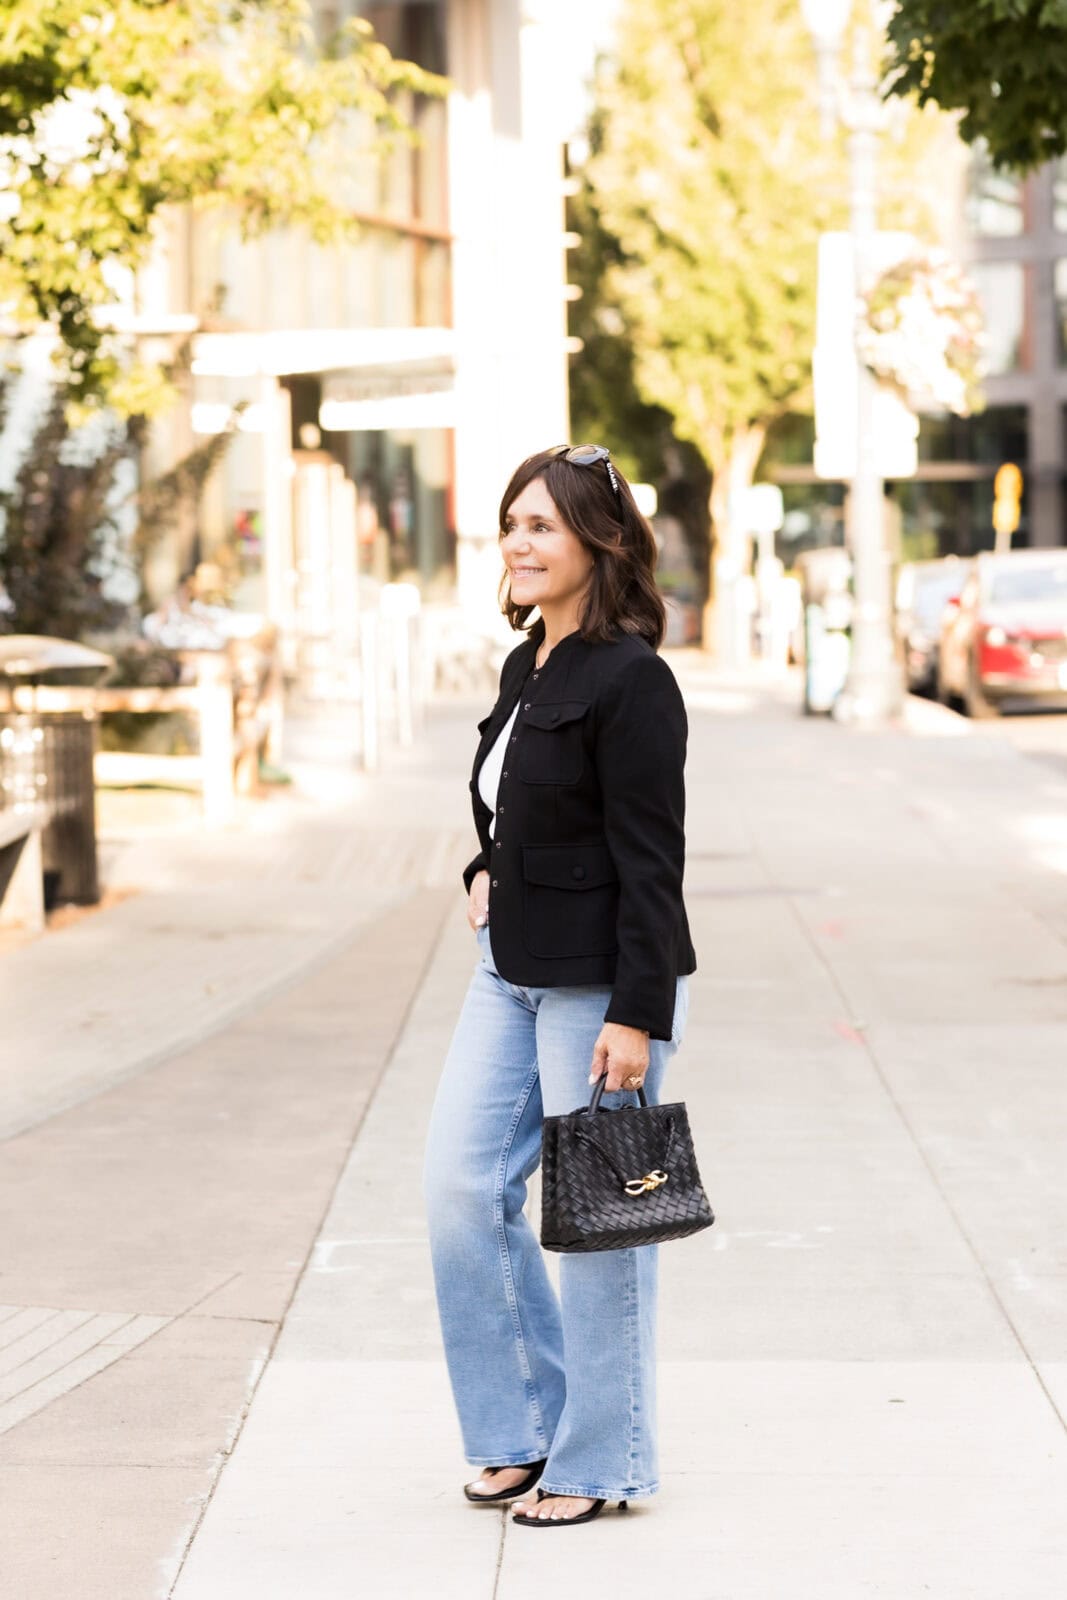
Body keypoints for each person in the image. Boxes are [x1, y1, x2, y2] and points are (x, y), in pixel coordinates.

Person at [423, 444, 696, 1527]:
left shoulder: (632, 680)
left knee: (596, 1222)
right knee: (457, 1190)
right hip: (506, 975)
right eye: (511, 525)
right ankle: (518, 1428)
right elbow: (509, 808)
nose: (519, 545)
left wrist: (637, 1013)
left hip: (597, 990)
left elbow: (650, 861)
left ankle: (599, 1457)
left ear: (599, 541)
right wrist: (485, 866)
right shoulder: (522, 667)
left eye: (542, 526)